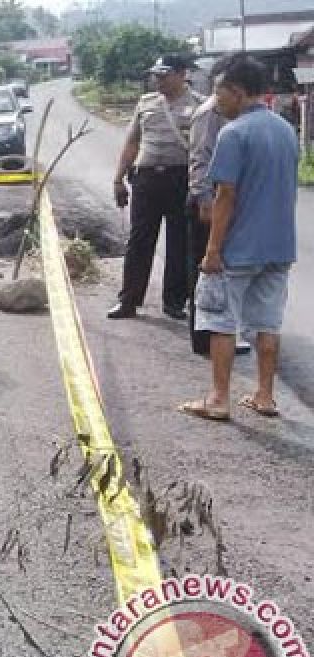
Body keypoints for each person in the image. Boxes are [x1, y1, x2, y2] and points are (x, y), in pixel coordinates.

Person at [178, 54, 300, 422]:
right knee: (267, 323)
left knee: (219, 320)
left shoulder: (233, 134)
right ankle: (265, 396)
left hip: (239, 247)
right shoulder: (284, 129)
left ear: (236, 91)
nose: (217, 103)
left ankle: (218, 398)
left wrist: (212, 250)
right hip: (279, 246)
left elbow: (225, 196)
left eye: (219, 94)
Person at [109, 54, 204, 320]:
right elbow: (132, 142)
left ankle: (174, 301)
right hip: (147, 179)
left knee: (179, 242)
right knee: (139, 240)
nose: (158, 80)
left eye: (164, 75)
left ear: (182, 74)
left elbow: (203, 150)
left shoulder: (200, 105)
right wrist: (119, 179)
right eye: (156, 75)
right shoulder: (146, 103)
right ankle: (129, 299)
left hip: (181, 180)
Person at [187, 59, 252, 358]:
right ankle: (206, 340)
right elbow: (200, 159)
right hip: (210, 201)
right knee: (207, 270)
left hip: (221, 200)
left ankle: (218, 336)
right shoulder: (210, 113)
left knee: (219, 270)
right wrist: (203, 200)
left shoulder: (233, 115)